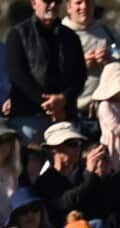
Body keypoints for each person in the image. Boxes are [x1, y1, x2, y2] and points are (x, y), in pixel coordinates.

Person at [5, 0, 86, 143]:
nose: (53, 5)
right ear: (34, 3)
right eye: (47, 1)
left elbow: (80, 76)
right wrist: (47, 103)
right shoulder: (17, 35)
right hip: (29, 118)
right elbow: (17, 74)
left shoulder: (71, 37)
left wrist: (63, 99)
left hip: (64, 117)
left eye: (57, 1)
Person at [63, 0, 120, 116]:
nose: (84, 7)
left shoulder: (108, 32)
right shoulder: (60, 35)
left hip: (114, 109)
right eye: (78, 3)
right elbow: (51, 75)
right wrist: (80, 66)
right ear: (68, 7)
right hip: (77, 112)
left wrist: (112, 60)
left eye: (88, 2)